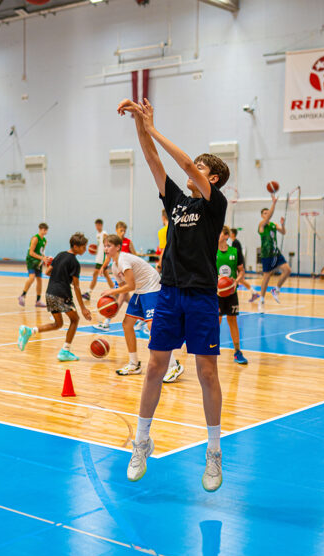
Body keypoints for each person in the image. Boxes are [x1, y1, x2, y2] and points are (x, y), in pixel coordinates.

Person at [118, 97, 229, 492]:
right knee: (153, 368)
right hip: (169, 294)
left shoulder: (215, 204)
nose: (193, 168)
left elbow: (181, 164)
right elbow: (153, 161)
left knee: (206, 372)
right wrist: (139, 123)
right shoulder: (177, 201)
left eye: (201, 167)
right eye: (196, 164)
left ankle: (213, 452)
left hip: (200, 296)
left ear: (211, 178)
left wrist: (153, 128)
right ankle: (142, 442)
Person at [17, 232, 91, 361]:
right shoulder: (74, 263)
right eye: (83, 247)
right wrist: (83, 308)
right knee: (75, 320)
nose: (85, 249)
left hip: (50, 292)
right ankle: (65, 351)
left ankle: (29, 331)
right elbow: (77, 287)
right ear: (75, 246)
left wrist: (59, 273)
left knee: (58, 324)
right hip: (62, 293)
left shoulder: (60, 255)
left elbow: (47, 272)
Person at [102, 234, 167, 376]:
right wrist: (116, 308)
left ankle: (172, 364)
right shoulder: (114, 267)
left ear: (118, 247)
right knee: (126, 324)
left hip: (151, 285)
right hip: (140, 289)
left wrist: (112, 290)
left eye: (109, 246)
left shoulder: (124, 260)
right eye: (105, 246)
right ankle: (134, 364)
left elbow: (129, 286)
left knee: (152, 325)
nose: (106, 249)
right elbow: (124, 290)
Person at [94, 221, 136, 332]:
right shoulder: (111, 243)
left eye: (124, 231)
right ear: (116, 230)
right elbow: (108, 257)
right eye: (120, 230)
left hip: (126, 272)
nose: (122, 232)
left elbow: (135, 255)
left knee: (118, 297)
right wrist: (103, 267)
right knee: (127, 299)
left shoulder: (128, 242)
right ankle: (141, 316)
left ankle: (106, 323)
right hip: (119, 273)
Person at [218, 226, 247, 364]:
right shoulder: (211, 252)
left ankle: (237, 352)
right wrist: (216, 278)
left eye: (219, 233)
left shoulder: (234, 251)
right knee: (215, 322)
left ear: (226, 236)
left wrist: (236, 280)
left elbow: (241, 271)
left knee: (232, 321)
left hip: (231, 292)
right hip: (216, 293)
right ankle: (211, 349)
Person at [258, 193, 291, 313]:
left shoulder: (273, 225)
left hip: (276, 253)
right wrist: (274, 203)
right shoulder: (261, 225)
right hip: (267, 254)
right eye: (265, 213)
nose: (267, 215)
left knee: (287, 270)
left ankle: (276, 289)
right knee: (266, 277)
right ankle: (261, 300)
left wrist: (282, 224)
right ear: (262, 216)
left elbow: (283, 232)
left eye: (268, 213)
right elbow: (268, 217)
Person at [18, 223, 49, 308]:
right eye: (43, 230)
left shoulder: (45, 240)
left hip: (38, 261)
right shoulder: (35, 238)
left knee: (39, 280)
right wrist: (41, 258)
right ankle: (22, 295)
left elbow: (41, 252)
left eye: (46, 230)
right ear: (40, 229)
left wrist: (45, 258)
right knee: (32, 278)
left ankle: (38, 301)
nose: (45, 232)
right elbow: (31, 253)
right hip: (31, 260)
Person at [83, 218, 113, 301]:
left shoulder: (104, 234)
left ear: (101, 225)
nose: (97, 227)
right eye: (96, 225)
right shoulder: (98, 234)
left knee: (96, 274)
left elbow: (108, 244)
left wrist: (107, 256)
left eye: (98, 225)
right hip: (99, 258)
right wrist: (95, 251)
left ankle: (89, 292)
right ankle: (114, 290)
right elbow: (100, 246)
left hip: (102, 259)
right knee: (105, 276)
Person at [229, 228, 259, 303]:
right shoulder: (235, 242)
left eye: (230, 232)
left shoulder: (235, 242)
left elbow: (236, 255)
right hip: (239, 263)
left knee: (240, 280)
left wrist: (236, 267)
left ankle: (254, 293)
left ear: (233, 234)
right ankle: (254, 293)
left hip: (239, 264)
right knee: (241, 280)